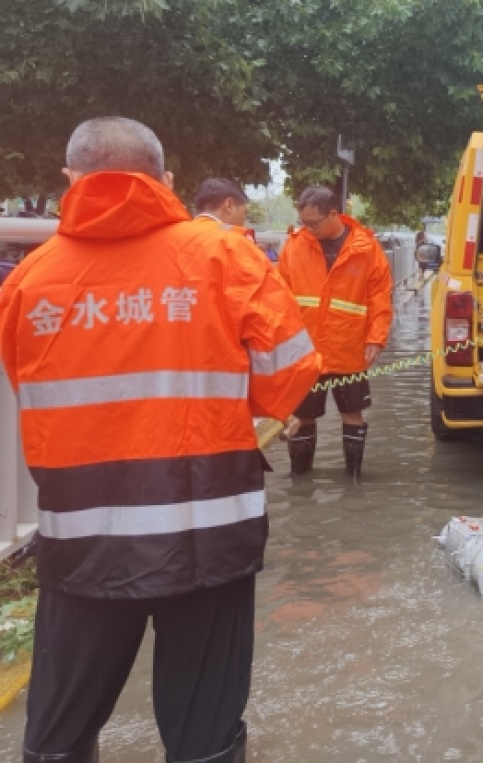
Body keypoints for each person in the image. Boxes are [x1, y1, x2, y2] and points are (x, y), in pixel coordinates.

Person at [0, 117, 320, 763]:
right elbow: (291, 370)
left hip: (83, 545)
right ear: (165, 180)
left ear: (71, 179)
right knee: (205, 738)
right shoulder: (225, 256)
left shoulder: (29, 282)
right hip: (209, 534)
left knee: (57, 737)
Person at [278, 186, 393, 477]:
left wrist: (376, 339)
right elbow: (279, 296)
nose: (308, 228)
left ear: (333, 214)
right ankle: (300, 481)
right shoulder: (295, 245)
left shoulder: (366, 248)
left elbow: (380, 296)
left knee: (352, 413)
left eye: (314, 222)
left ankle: (353, 477)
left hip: (349, 347)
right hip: (306, 350)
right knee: (302, 417)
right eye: (304, 221)